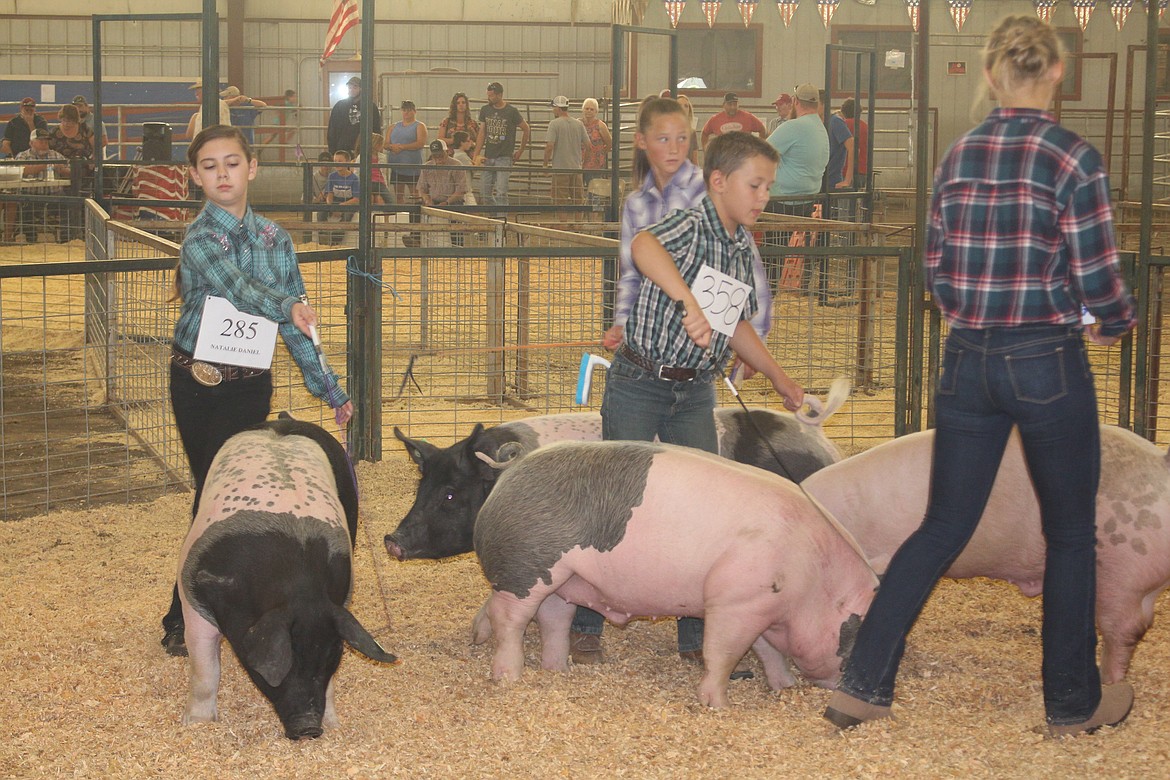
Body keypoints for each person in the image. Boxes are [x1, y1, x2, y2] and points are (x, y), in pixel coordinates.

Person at [824, 14, 1137, 738]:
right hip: (1046, 359)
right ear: (1055, 72)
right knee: (1068, 535)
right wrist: (1111, 319)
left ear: (992, 77)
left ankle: (863, 685)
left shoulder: (958, 155)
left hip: (966, 357)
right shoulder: (1073, 158)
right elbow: (1099, 277)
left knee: (941, 525)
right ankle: (1071, 704)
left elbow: (935, 273)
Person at [597, 130, 803, 671]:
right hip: (640, 383)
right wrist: (685, 297)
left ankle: (696, 636)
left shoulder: (739, 246)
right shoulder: (692, 225)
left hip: (693, 391)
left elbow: (733, 323)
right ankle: (583, 621)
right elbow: (643, 245)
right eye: (755, 185)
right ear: (718, 182)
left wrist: (780, 379)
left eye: (768, 188)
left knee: (705, 514)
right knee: (613, 496)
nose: (763, 197)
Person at [160, 124, 353, 656]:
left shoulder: (277, 239)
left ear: (252, 167)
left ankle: (214, 608)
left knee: (228, 501)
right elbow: (240, 290)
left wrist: (332, 391)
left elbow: (298, 322)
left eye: (231, 163)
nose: (222, 174)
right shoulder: (200, 238)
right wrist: (288, 305)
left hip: (251, 386)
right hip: (200, 382)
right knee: (210, 498)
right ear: (195, 176)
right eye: (209, 166)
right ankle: (185, 614)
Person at [764, 83, 828, 286]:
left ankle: (765, 297)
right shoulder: (820, 128)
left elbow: (760, 151)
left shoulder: (793, 127)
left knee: (770, 253)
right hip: (806, 199)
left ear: (795, 102)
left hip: (782, 200)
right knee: (778, 253)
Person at [473, 81, 530, 208]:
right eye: (488, 95)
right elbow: (482, 132)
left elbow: (526, 128)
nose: (489, 98)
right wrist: (476, 154)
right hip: (489, 156)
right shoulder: (485, 110)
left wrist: (521, 150)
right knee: (484, 192)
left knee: (501, 192)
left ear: (499, 95)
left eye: (492, 96)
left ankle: (500, 220)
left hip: (504, 156)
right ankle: (495, 217)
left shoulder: (511, 111)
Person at [10, 128, 67, 243]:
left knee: (68, 203)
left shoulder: (56, 155)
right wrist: (45, 166)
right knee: (26, 206)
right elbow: (21, 170)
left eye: (46, 141)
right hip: (29, 195)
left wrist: (63, 170)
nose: (44, 144)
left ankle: (66, 238)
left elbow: (69, 170)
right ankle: (31, 240)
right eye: (41, 141)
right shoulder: (23, 156)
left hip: (54, 195)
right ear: (31, 143)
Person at [387, 100, 428, 247]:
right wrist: (392, 147)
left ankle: (415, 227)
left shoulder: (419, 126)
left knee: (415, 195)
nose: (407, 112)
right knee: (398, 195)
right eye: (404, 110)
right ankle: (401, 224)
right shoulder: (393, 127)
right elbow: (386, 143)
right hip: (396, 165)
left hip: (413, 166)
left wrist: (401, 147)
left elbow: (420, 143)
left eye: (410, 110)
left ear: (414, 111)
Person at [543, 95, 588, 221]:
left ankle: (563, 225)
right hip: (576, 168)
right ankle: (578, 225)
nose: (553, 110)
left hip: (560, 168)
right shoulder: (579, 124)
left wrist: (545, 165)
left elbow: (549, 146)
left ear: (558, 108)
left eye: (554, 108)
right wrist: (583, 163)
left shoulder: (554, 124)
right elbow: (589, 146)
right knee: (578, 199)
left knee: (560, 199)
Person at [327, 75, 382, 156]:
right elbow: (332, 128)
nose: (351, 90)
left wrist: (374, 149)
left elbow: (376, 128)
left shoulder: (370, 106)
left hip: (363, 149)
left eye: (355, 87)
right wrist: (332, 150)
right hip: (343, 148)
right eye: (350, 87)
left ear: (361, 89)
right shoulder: (339, 106)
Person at [700, 92, 766, 149]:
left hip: (744, 156)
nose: (733, 107)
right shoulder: (715, 119)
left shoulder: (748, 117)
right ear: (723, 105)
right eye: (730, 104)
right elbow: (704, 133)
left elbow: (762, 129)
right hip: (724, 157)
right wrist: (706, 151)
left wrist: (759, 149)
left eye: (735, 104)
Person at [322, 148, 360, 244]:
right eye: (335, 161)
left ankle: (336, 241)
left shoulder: (354, 179)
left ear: (347, 162)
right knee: (321, 213)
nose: (337, 163)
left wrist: (341, 206)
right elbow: (329, 194)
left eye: (340, 161)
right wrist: (330, 206)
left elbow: (356, 199)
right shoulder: (332, 176)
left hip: (349, 203)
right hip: (336, 201)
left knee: (347, 216)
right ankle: (323, 238)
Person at [820, 89, 853, 192]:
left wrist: (847, 180)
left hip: (831, 182)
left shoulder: (835, 122)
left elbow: (853, 147)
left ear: (823, 105)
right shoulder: (817, 123)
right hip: (819, 181)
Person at [417, 139, 468, 206]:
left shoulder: (457, 165)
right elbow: (421, 188)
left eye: (441, 154)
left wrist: (447, 202)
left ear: (447, 151)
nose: (438, 157)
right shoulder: (427, 167)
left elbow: (461, 190)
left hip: (453, 203)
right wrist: (427, 199)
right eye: (435, 155)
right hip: (433, 202)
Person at [580, 97, 611, 186]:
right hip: (579, 163)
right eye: (587, 108)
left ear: (596, 112)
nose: (589, 111)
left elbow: (609, 143)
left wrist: (600, 153)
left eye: (592, 109)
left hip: (595, 166)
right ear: (583, 110)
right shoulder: (578, 124)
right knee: (577, 190)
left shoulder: (601, 125)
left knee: (594, 192)